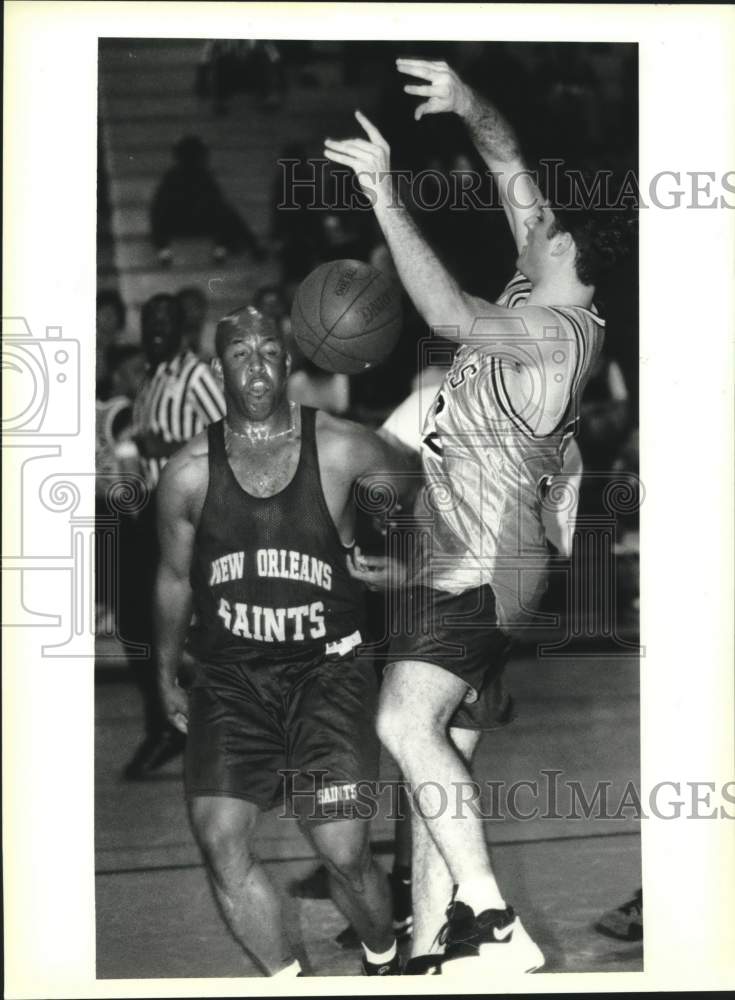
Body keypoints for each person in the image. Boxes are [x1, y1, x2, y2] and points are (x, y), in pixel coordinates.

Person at [324, 57, 632, 974]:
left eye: (548, 228)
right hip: (465, 553)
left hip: (490, 562)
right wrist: (466, 106)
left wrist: (382, 194)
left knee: (401, 727)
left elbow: (445, 312)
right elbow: (508, 159)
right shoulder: (546, 282)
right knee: (440, 755)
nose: (531, 222)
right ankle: (433, 944)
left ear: (570, 253)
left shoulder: (552, 332)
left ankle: (492, 919)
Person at [154, 304, 415, 976]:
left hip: (329, 673)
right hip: (232, 676)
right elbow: (175, 579)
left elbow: (429, 508)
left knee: (343, 852)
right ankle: (289, 984)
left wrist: (406, 567)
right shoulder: (187, 473)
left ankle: (384, 958)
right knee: (220, 841)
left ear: (289, 360)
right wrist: (163, 674)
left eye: (268, 350)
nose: (257, 366)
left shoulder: (342, 447)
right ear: (219, 368)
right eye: (239, 353)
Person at [121, 294, 226, 781]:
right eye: (149, 324)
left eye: (164, 323)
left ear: (181, 326)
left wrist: (168, 448)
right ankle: (174, 722)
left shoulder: (196, 376)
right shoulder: (151, 378)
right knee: (140, 626)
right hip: (149, 513)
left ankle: (204, 725)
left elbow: (228, 432)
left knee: (175, 625)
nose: (156, 332)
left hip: (189, 516)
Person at [150, 136, 266, 266]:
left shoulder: (200, 176)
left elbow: (217, 202)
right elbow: (159, 209)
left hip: (193, 222)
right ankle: (224, 249)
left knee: (225, 211)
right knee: (225, 212)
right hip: (181, 223)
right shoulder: (175, 177)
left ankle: (224, 249)